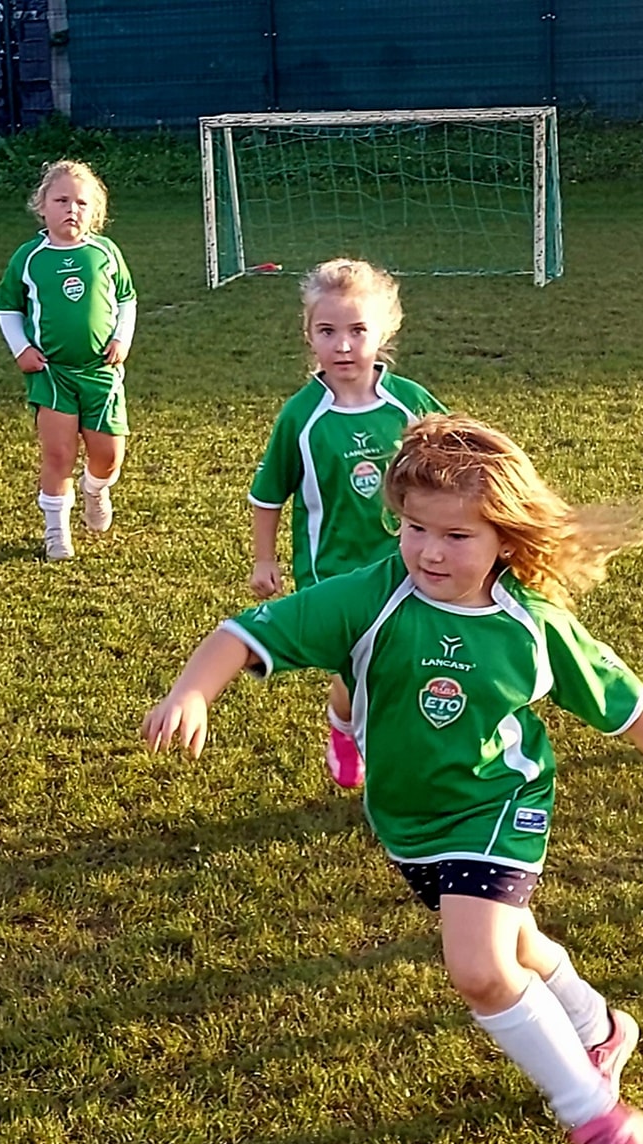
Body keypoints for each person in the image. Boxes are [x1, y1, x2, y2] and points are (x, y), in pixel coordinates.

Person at [143, 414, 643, 1144]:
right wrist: (192, 693)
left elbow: (618, 695)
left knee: (479, 969)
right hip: (407, 821)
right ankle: (598, 1027)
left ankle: (596, 1118)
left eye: (457, 536)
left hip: (498, 805)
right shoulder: (372, 597)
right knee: (516, 943)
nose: (431, 552)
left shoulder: (533, 624)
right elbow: (241, 634)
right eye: (415, 528)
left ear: (505, 540)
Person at [248, 258, 444, 789]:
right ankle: (349, 726)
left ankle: (377, 740)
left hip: (407, 564)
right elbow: (268, 495)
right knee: (363, 670)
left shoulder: (410, 403)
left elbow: (454, 460)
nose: (342, 345)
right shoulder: (301, 417)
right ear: (309, 335)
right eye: (327, 331)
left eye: (357, 330)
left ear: (384, 332)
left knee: (403, 662)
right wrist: (264, 559)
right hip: (333, 571)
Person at [0, 160, 136, 561]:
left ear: (95, 212)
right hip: (52, 373)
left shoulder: (105, 252)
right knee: (58, 454)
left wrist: (122, 338)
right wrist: (21, 349)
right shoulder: (29, 257)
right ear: (42, 206)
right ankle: (56, 532)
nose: (71, 209)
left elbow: (126, 298)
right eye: (61, 201)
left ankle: (95, 489)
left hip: (101, 372)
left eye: (81, 203)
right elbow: (8, 307)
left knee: (108, 456)